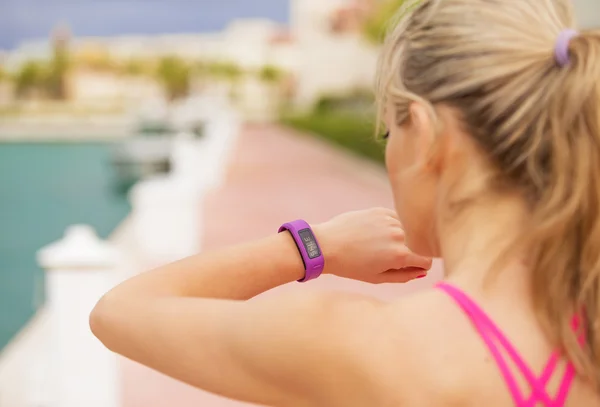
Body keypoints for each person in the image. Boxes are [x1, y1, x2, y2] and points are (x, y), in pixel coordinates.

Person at [90, 0, 600, 405]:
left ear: (425, 136)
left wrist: (316, 246)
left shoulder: (364, 347)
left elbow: (121, 310)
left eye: (387, 132)